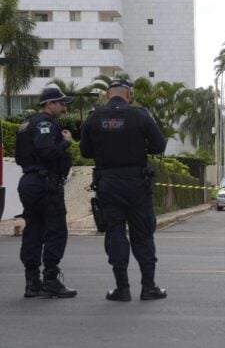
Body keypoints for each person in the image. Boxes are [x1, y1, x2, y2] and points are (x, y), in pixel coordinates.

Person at [80, 79, 168, 301]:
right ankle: (148, 287)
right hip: (136, 183)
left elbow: (85, 151)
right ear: (128, 95)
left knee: (115, 233)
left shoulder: (94, 117)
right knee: (143, 235)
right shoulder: (140, 115)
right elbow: (159, 145)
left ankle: (122, 288)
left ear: (107, 95)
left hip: (108, 183)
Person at [15, 86, 77, 298]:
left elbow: (19, 157)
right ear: (49, 104)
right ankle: (50, 280)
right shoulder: (44, 123)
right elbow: (47, 152)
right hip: (45, 183)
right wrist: (66, 144)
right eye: (61, 103)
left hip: (29, 182)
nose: (64, 108)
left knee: (34, 229)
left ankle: (32, 282)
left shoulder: (24, 125)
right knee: (56, 230)